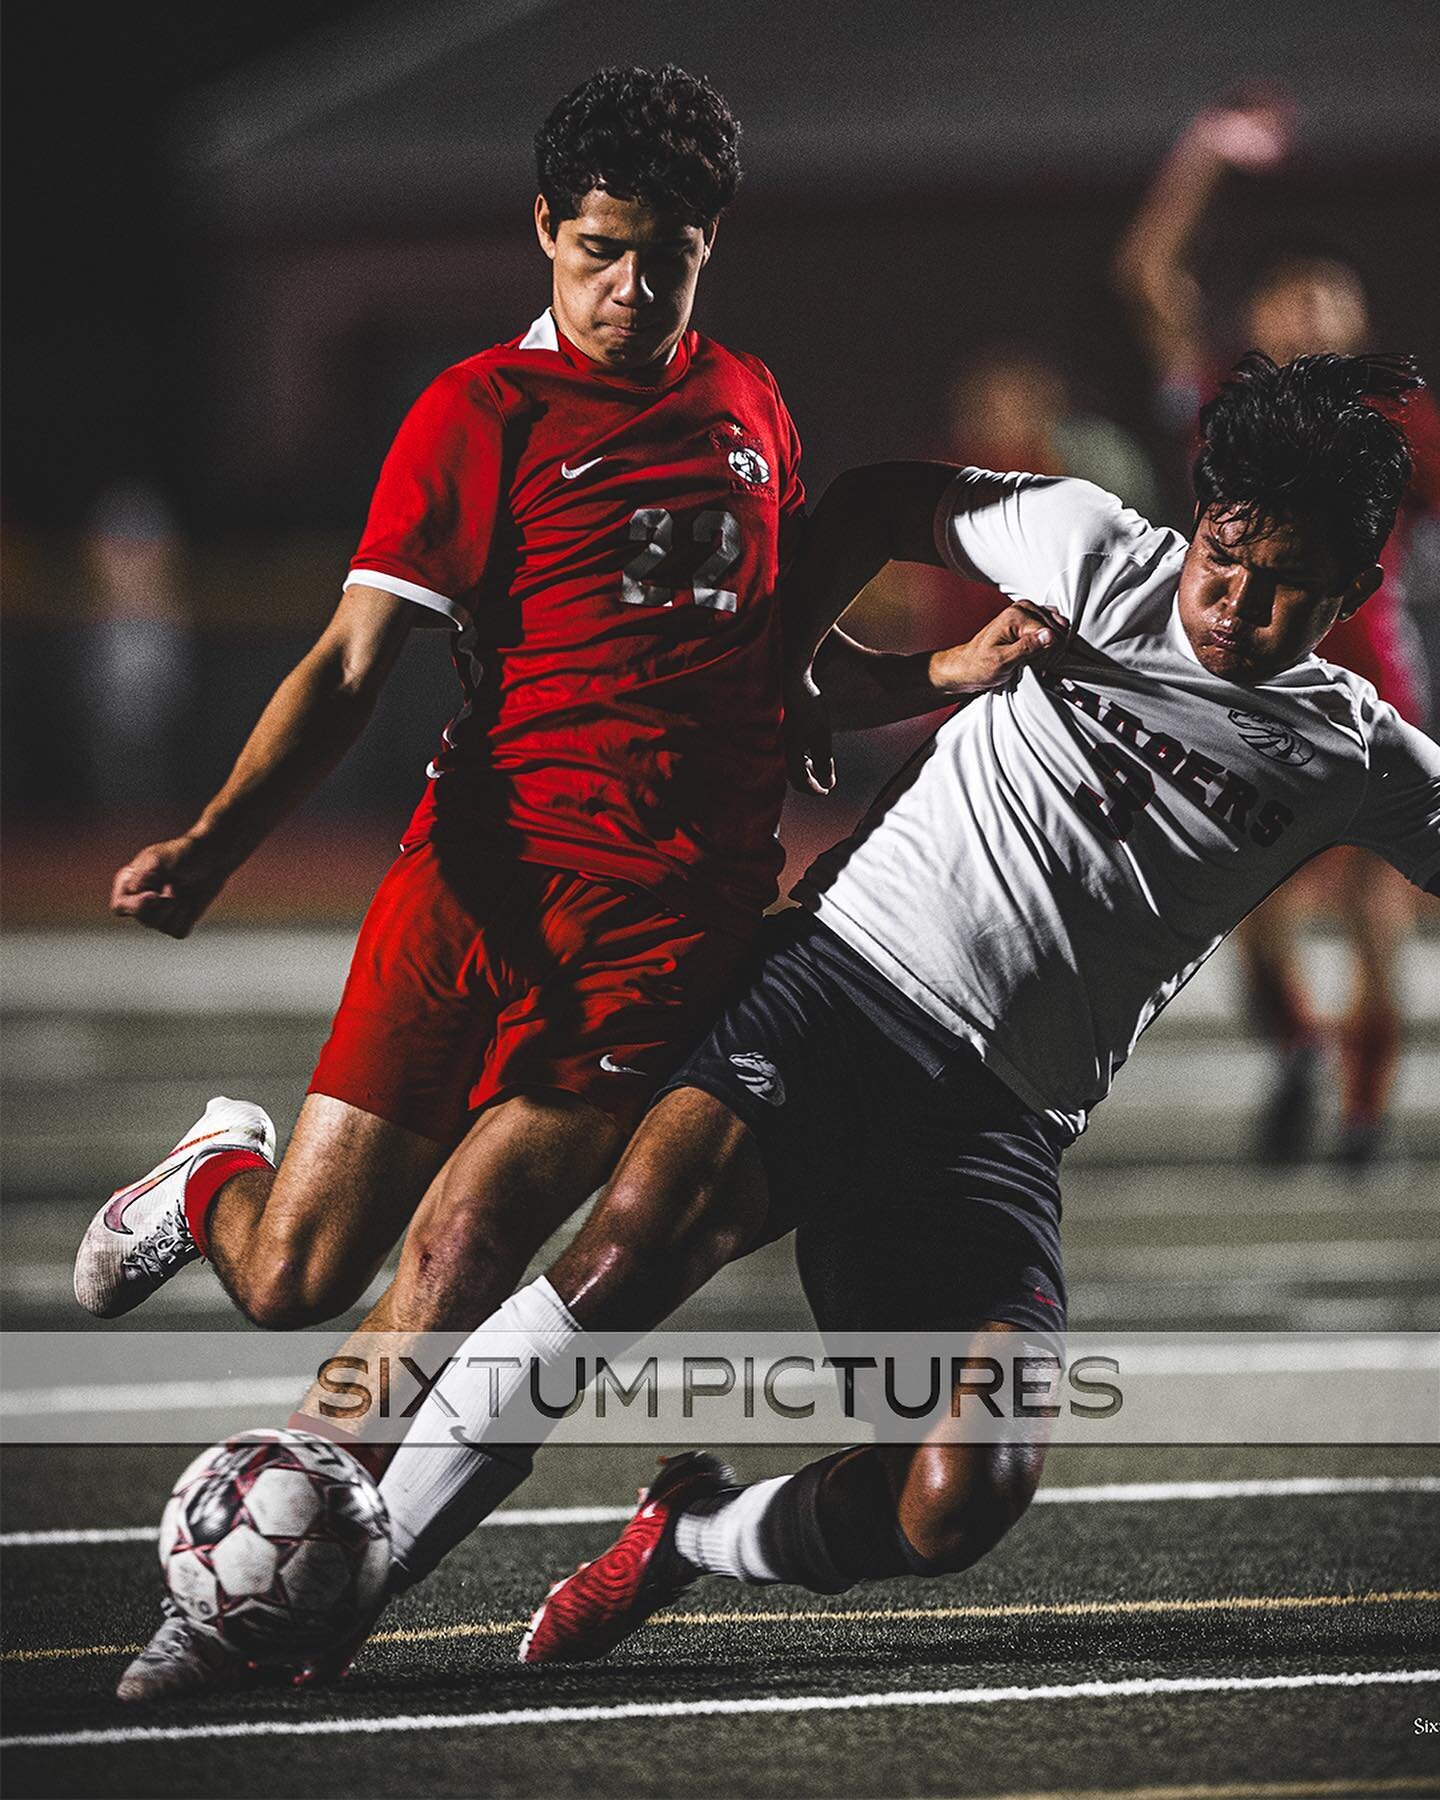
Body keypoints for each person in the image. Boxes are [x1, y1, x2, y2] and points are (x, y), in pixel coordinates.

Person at [341, 352, 1436, 1664]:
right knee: (628, 1251)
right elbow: (867, 504)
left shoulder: (1348, 752)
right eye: (1226, 561)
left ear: (1355, 594)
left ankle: (688, 1534)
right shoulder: (1093, 548)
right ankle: (347, 1581)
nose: (1238, 606)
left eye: (1287, 592)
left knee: (961, 1495)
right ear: (1197, 524)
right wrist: (788, 682)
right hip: (839, 987)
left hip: (996, 1127)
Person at [84, 64, 820, 1702]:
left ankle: (230, 1607)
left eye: (669, 257)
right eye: (603, 250)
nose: (632, 290)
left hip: (654, 938)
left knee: (456, 1267)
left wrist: (928, 676)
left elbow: (765, 665)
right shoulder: (477, 413)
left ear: (714, 244)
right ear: (545, 230)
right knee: (291, 1281)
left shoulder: (756, 410)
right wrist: (211, 845)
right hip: (472, 899)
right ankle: (216, 1174)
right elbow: (350, 668)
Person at [1115, 88, 1440, 1167]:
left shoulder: (1403, 421)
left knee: (1379, 931)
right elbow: (1149, 276)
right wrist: (1203, 148)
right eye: (1288, 297)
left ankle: (1361, 1114)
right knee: (1245, 926)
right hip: (1238, 693)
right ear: (1256, 320)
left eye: (1325, 297)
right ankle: (1300, 1053)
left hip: (1372, 694)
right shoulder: (1226, 401)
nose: (1306, 313)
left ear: (1356, 317)